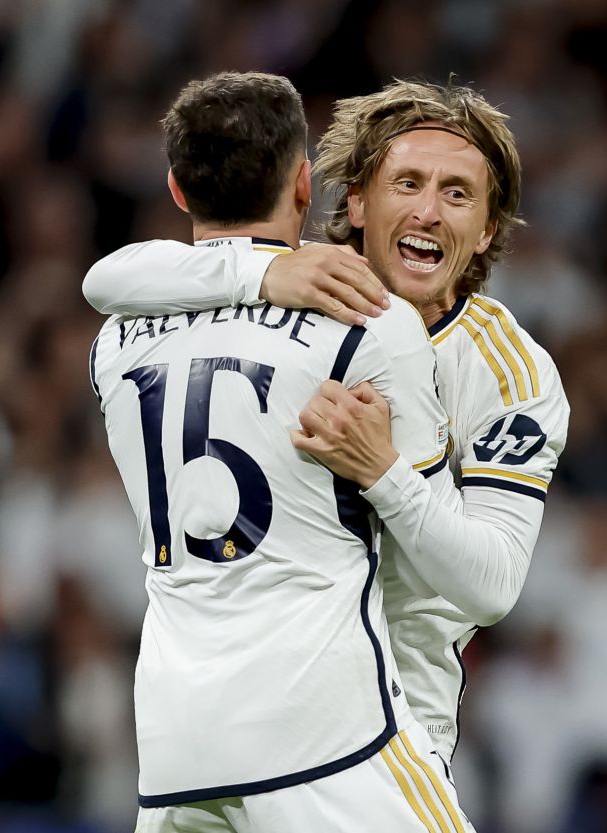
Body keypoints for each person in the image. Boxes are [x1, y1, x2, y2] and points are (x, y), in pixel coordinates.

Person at [83, 79, 571, 778]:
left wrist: (383, 471)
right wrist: (259, 278)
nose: (429, 211)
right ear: (357, 201)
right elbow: (109, 279)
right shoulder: (296, 287)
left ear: (488, 227)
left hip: (390, 721)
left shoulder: (511, 374)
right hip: (253, 700)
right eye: (407, 182)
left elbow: (490, 584)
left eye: (458, 194)